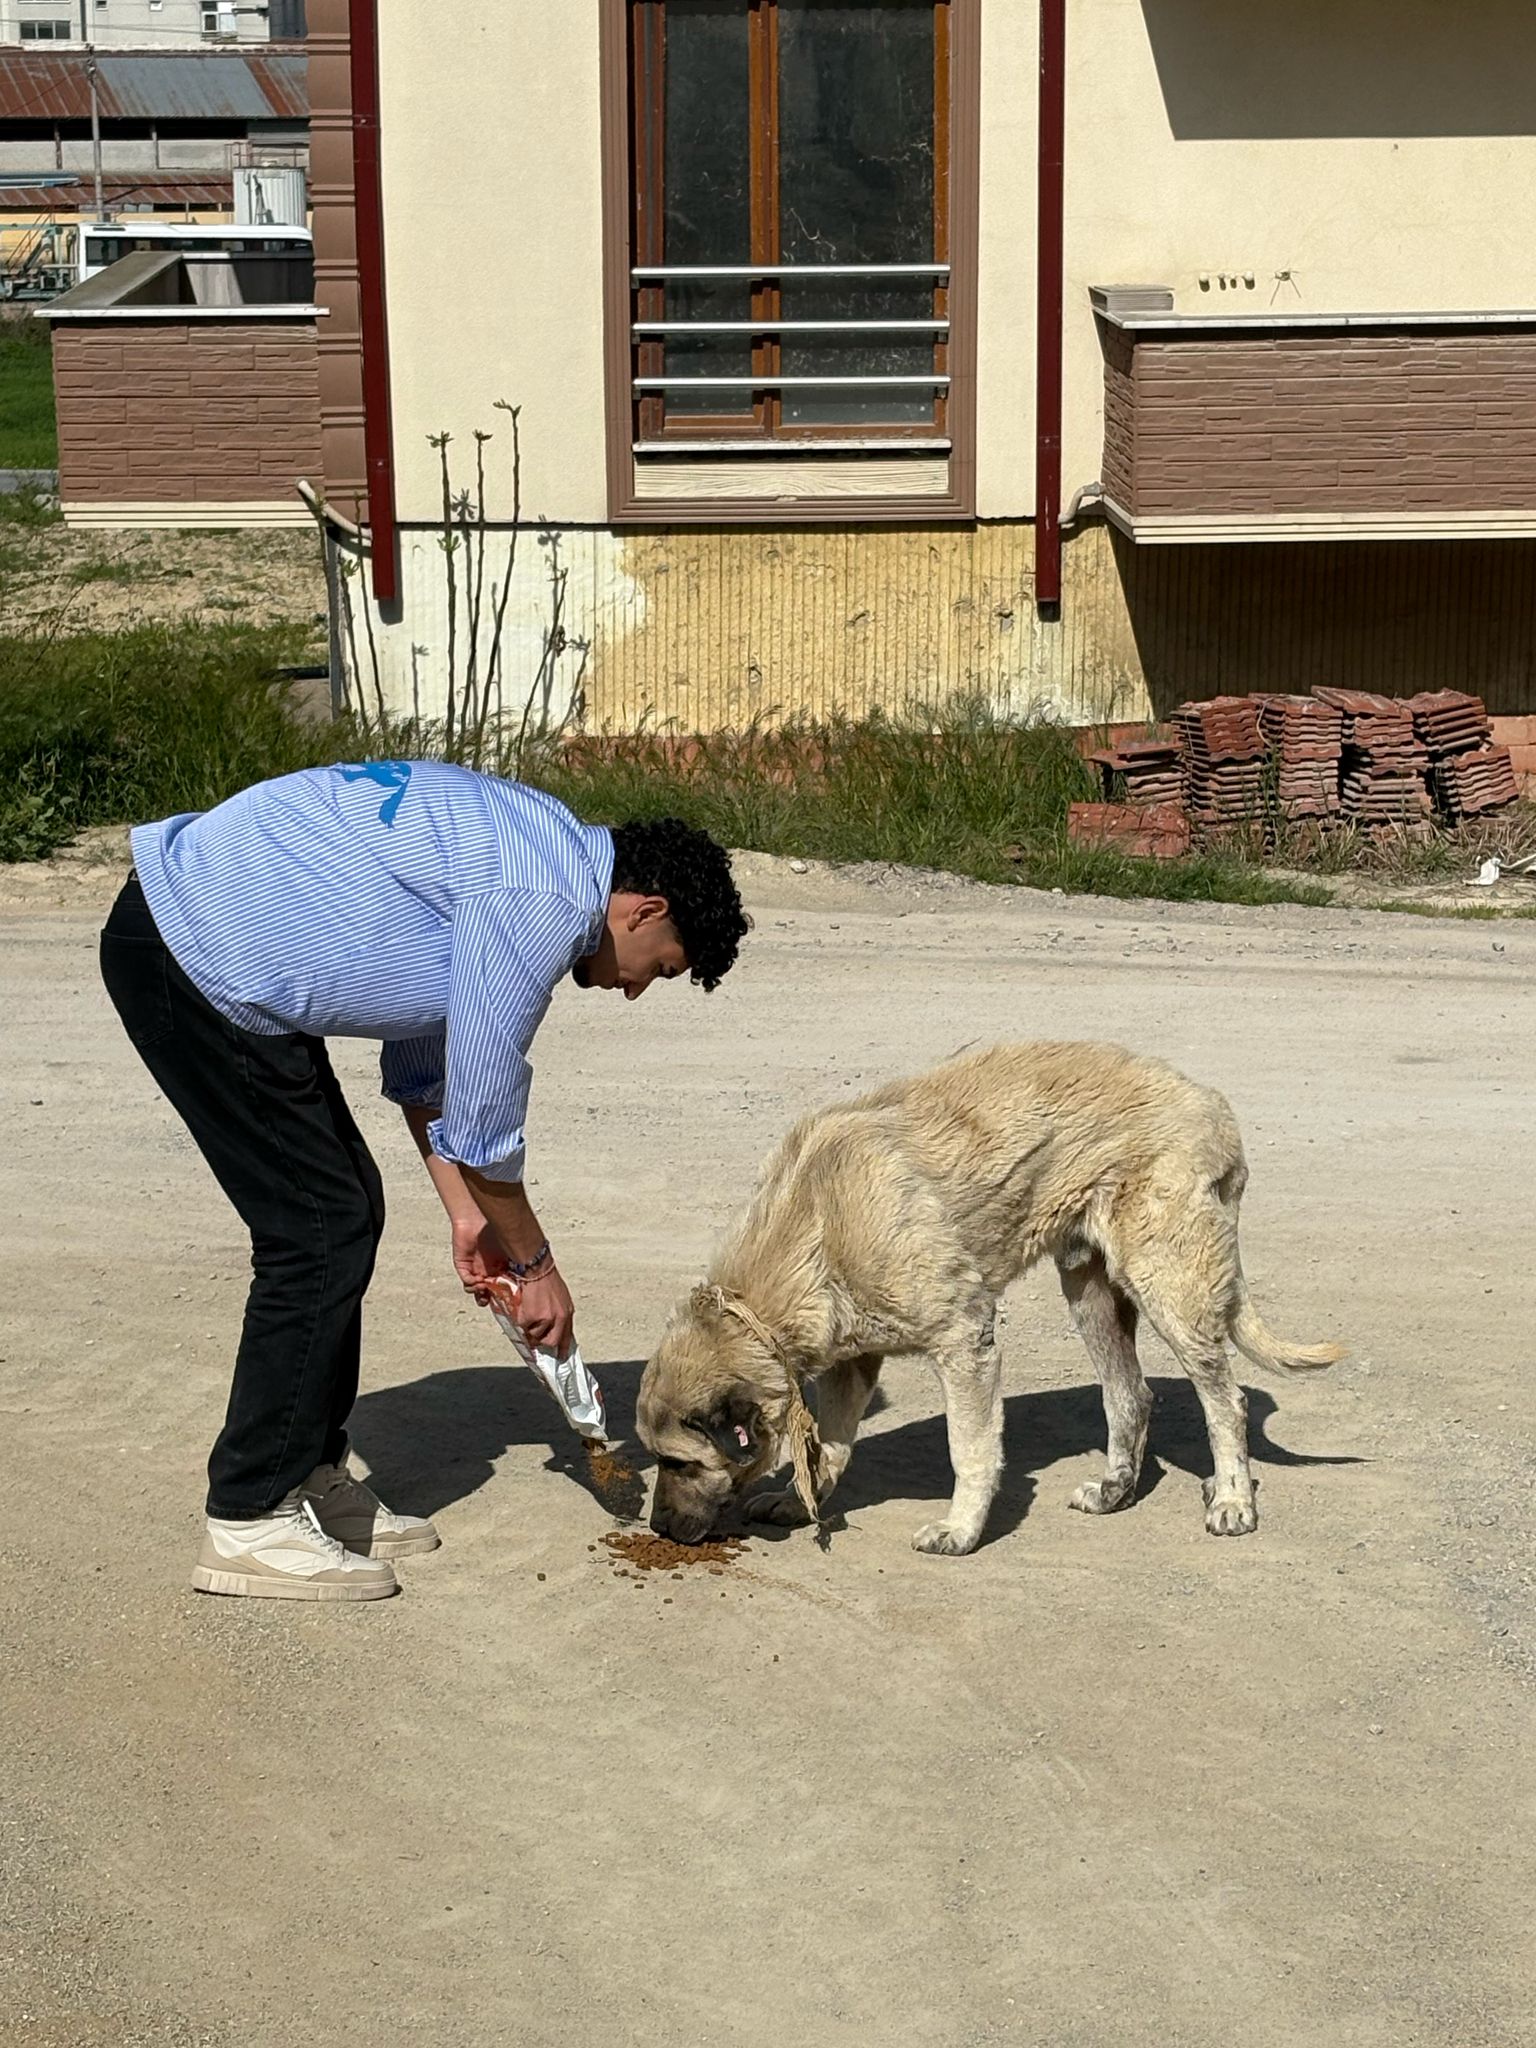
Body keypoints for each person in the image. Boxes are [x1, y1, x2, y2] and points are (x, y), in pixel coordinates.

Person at [99, 759, 748, 1604]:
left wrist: (465, 1216)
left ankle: (304, 1474)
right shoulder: (542, 899)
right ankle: (250, 1516)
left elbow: (427, 1060)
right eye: (658, 968)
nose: (634, 991)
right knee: (316, 1228)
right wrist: (535, 1267)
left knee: (345, 1209)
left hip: (211, 941)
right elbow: (482, 1122)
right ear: (644, 911)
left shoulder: (543, 847)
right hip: (192, 950)